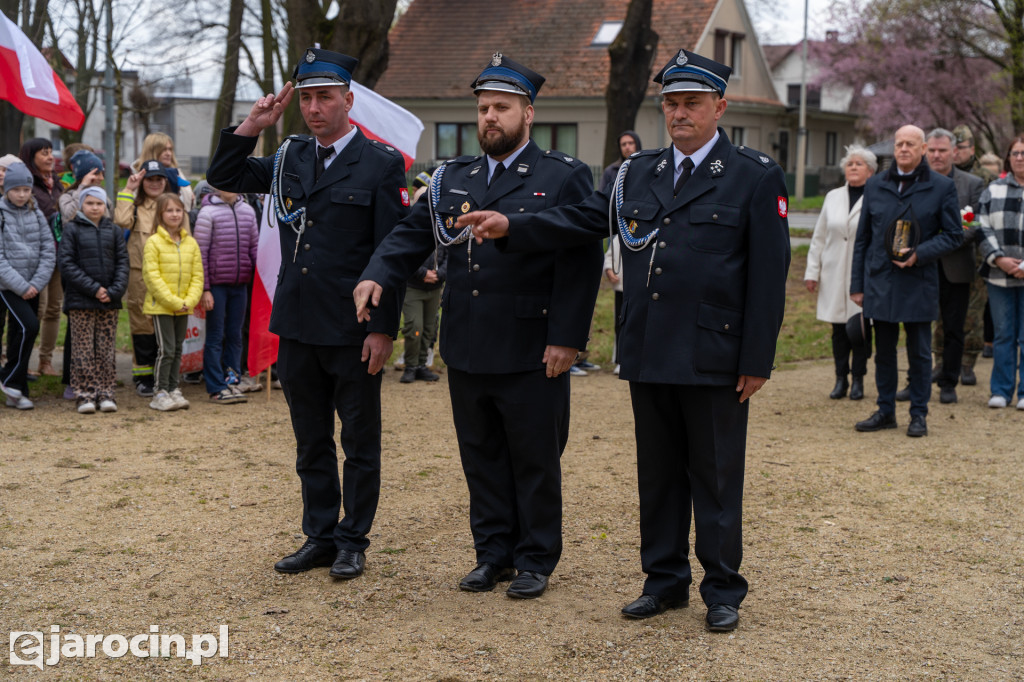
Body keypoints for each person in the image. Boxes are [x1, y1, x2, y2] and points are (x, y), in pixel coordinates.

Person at [454, 49, 790, 630]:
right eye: (671, 103)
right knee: (657, 474)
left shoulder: (753, 175)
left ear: (720, 107)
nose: (679, 113)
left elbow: (768, 275)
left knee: (713, 476)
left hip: (714, 354)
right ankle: (663, 581)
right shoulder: (640, 172)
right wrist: (513, 225)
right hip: (649, 348)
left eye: (691, 103)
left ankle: (722, 590)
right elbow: (582, 220)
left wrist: (756, 358)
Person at [355, 53, 601, 600]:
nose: (490, 117)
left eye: (502, 108)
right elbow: (407, 234)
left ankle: (535, 558)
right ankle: (492, 554)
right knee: (482, 456)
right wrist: (376, 273)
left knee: (535, 458)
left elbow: (581, 260)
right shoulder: (451, 177)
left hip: (531, 344)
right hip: (466, 342)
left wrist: (567, 336)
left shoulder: (562, 176)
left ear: (528, 113)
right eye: (484, 108)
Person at [206, 47, 410, 581]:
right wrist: (253, 124)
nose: (315, 108)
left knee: (359, 441)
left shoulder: (382, 163)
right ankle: (319, 535)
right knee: (310, 438)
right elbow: (225, 174)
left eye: (325, 97)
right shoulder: (292, 156)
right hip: (297, 323)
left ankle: (352, 540)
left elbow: (393, 252)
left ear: (348, 100)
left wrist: (384, 329)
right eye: (308, 98)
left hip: (353, 327)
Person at [851, 125, 963, 437]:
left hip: (918, 280)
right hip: (881, 281)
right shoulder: (875, 185)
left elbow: (954, 235)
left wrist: (920, 253)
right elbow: (863, 239)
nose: (903, 149)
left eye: (910, 144)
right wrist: (856, 285)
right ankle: (885, 410)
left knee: (919, 353)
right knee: (884, 352)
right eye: (899, 143)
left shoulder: (941, 187)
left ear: (923, 149)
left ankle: (919, 414)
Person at [805, 145, 877, 401]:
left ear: (870, 171)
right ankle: (840, 379)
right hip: (833, 272)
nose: (853, 167)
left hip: (863, 274)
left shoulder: (877, 196)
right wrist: (812, 272)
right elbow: (819, 237)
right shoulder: (833, 196)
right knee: (838, 329)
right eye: (850, 164)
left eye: (859, 164)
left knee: (858, 329)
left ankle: (858, 379)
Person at [919, 128, 984, 404]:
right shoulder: (916, 181)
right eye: (932, 150)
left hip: (956, 267)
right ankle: (917, 381)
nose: (937, 155)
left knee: (955, 327)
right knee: (918, 327)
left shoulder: (972, 184)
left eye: (942, 150)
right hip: (920, 266)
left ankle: (949, 382)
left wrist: (940, 243)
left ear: (954, 151)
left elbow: (973, 226)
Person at [58, 186, 129, 414]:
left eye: (99, 203)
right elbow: (67, 264)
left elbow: (122, 263)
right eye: (90, 203)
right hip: (81, 301)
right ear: (81, 205)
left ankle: (106, 392)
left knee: (106, 350)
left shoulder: (114, 230)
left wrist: (114, 290)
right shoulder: (72, 230)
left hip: (109, 301)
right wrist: (94, 289)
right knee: (83, 350)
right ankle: (85, 394)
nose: (95, 207)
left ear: (105, 206)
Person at [116, 159, 178, 397]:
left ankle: (164, 374)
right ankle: (143, 376)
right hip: (139, 274)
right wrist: (129, 190)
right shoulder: (135, 205)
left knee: (166, 324)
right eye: (149, 179)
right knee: (142, 325)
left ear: (165, 181)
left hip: (169, 274)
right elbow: (120, 221)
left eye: (158, 179)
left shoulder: (172, 206)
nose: (154, 184)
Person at [193, 186, 258, 403]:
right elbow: (200, 253)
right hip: (216, 286)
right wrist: (205, 289)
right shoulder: (207, 213)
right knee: (215, 336)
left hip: (240, 286)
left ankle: (232, 381)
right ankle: (216, 386)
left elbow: (254, 247)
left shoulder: (247, 211)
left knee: (235, 335)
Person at [0, 162, 55, 409]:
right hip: (7, 287)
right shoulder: (1, 213)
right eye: (17, 190)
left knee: (18, 335)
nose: (22, 194)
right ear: (6, 189)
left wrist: (35, 283)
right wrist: (21, 286)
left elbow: (48, 251)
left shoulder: (35, 213)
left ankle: (17, 390)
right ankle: (9, 377)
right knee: (29, 327)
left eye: (26, 189)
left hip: (33, 285)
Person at [142, 193, 203, 412]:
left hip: (184, 307)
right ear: (160, 214)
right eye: (169, 210)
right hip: (163, 307)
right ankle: (159, 391)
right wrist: (174, 301)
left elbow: (197, 275)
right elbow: (152, 276)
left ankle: (173, 387)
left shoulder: (191, 243)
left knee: (178, 348)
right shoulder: (153, 243)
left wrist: (189, 300)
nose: (174, 214)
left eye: (178, 210)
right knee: (166, 349)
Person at [977, 134, 1024, 409]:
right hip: (998, 275)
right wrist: (998, 258)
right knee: (1003, 334)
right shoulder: (993, 190)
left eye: (1023, 153)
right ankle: (1001, 390)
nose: (1019, 157)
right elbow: (980, 226)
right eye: (1015, 153)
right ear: (1009, 158)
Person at [19, 138, 63, 378]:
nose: (50, 157)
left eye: (50, 152)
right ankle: (23, 361)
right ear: (31, 156)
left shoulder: (56, 182)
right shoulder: (27, 184)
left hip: (58, 255)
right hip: (35, 258)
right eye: (44, 153)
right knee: (37, 309)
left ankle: (45, 361)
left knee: (55, 309)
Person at [398, 244, 446, 383]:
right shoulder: (415, 225)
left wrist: (439, 274)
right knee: (415, 327)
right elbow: (405, 256)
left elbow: (450, 256)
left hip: (435, 288)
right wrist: (422, 273)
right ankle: (411, 366)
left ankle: (421, 365)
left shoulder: (444, 228)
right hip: (413, 287)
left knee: (429, 329)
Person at [133, 133, 196, 212]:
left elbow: (188, 201)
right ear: (151, 151)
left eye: (170, 149)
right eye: (164, 150)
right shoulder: (139, 177)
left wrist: (191, 199)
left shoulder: (176, 172)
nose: (168, 154)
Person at [603, 235, 623, 375]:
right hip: (622, 287)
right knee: (620, 324)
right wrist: (609, 270)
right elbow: (610, 254)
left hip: (644, 288)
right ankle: (620, 360)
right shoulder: (624, 232)